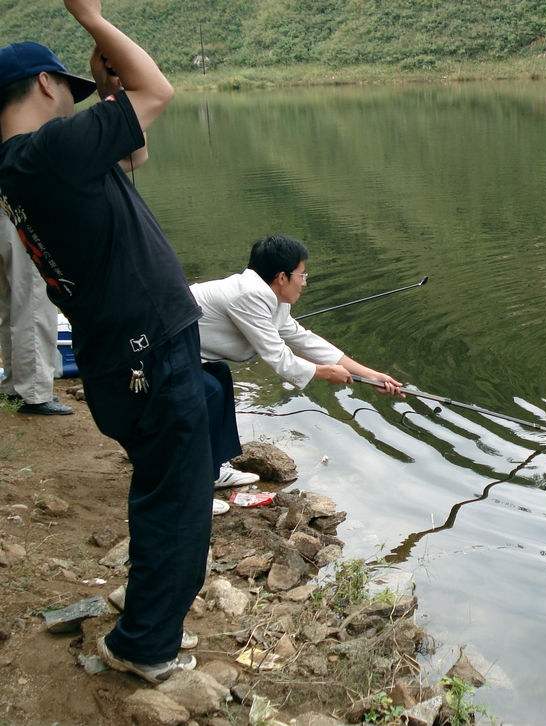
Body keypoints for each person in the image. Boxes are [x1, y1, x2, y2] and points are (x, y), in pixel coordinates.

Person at [0, 1, 210, 683]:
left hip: (124, 352)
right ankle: (145, 646)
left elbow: (136, 148)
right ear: (42, 86)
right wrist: (90, 17)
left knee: (162, 488)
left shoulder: (28, 165)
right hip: (146, 350)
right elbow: (161, 93)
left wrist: (112, 89)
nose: (74, 97)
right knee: (177, 502)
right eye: (69, 86)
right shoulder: (49, 153)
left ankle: (142, 621)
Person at [190, 234, 403, 399]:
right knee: (209, 392)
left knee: (218, 385)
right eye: (302, 275)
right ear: (282, 277)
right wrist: (326, 373)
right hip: (164, 350)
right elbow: (278, 356)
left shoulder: (273, 298)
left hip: (192, 356)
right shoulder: (250, 295)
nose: (304, 282)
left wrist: (369, 375)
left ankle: (208, 456)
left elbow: (304, 340)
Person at [0, 214, 71, 414]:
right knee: (33, 304)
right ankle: (34, 393)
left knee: (10, 305)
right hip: (18, 216)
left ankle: (14, 385)